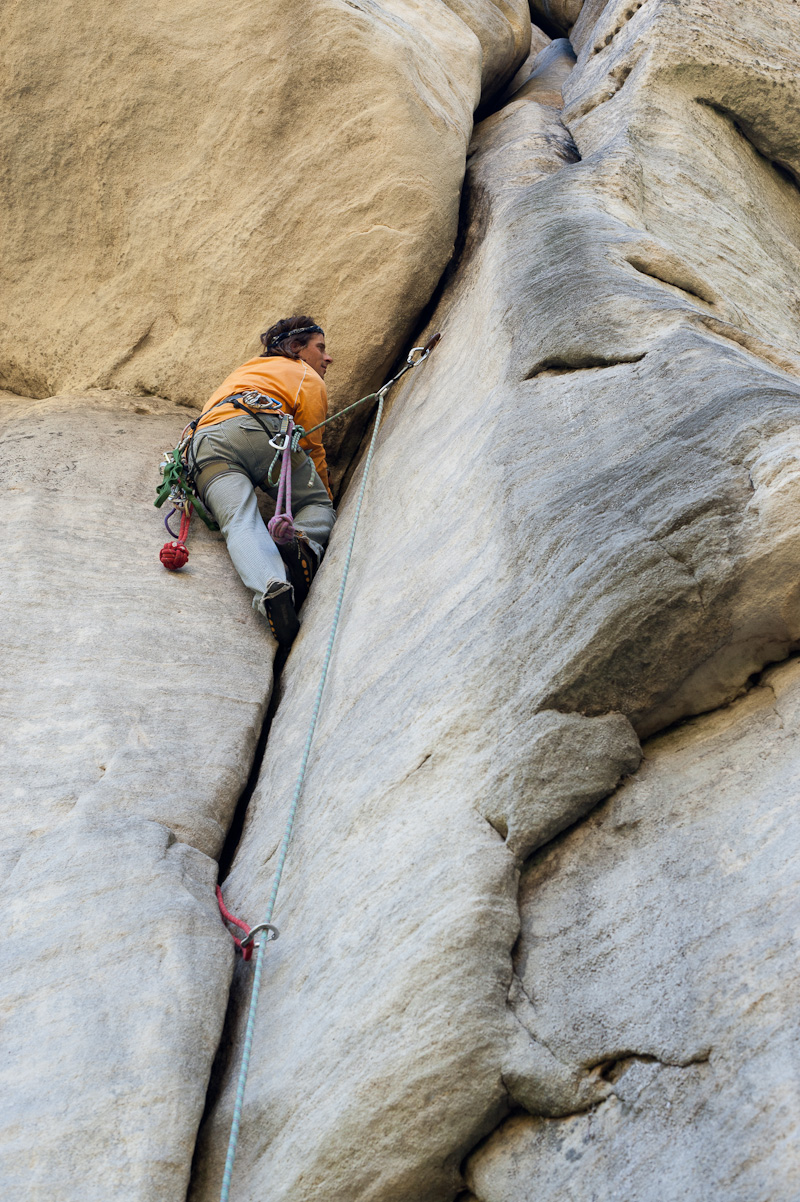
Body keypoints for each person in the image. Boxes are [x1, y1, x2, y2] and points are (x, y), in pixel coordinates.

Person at [188, 316, 336, 645]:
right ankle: (301, 542)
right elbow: (312, 445)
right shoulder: (302, 373)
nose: (328, 358)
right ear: (297, 349)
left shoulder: (243, 372)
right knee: (315, 503)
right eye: (321, 348)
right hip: (261, 428)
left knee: (238, 522)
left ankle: (271, 587)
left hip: (205, 443)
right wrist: (325, 494)